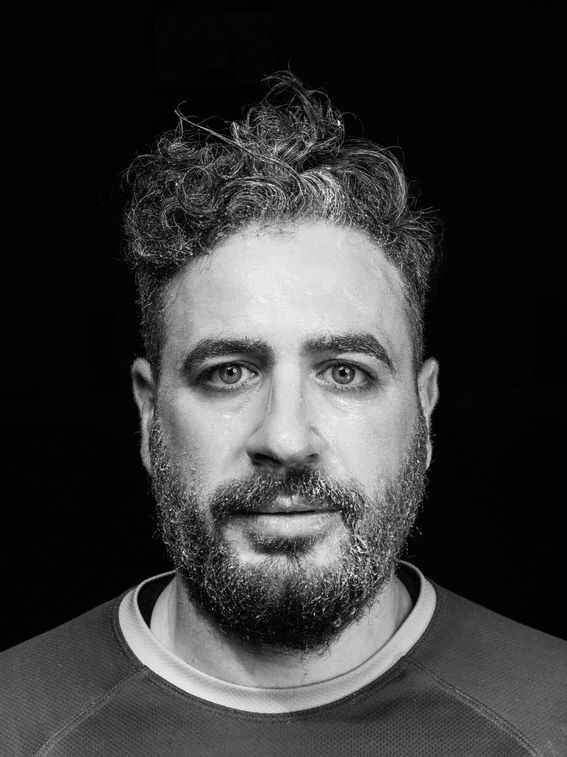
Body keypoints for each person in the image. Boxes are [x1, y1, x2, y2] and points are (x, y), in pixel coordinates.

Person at [1, 72, 565, 757]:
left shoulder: (553, 715)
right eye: (229, 372)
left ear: (423, 410)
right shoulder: (16, 721)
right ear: (149, 414)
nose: (287, 438)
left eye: (345, 372)